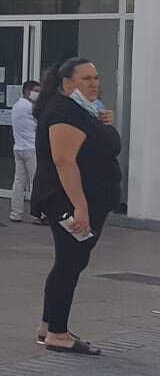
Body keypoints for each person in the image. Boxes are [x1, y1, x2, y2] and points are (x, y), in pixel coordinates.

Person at [32, 58, 121, 356]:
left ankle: (50, 326)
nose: (94, 83)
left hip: (87, 198)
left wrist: (103, 124)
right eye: (85, 79)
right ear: (68, 83)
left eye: (96, 77)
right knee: (70, 262)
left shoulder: (83, 110)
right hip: (69, 200)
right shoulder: (64, 111)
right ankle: (57, 332)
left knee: (69, 262)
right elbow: (63, 160)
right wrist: (80, 207)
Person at [10, 79, 41, 223]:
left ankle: (15, 213)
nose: (38, 94)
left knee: (19, 182)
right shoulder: (31, 107)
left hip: (19, 148)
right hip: (32, 149)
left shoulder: (16, 106)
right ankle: (37, 215)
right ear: (28, 92)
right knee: (36, 182)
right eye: (37, 91)